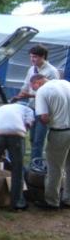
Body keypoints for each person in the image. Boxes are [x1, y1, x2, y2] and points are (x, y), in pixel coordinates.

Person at [13, 45, 60, 165]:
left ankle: (35, 167)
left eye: (35, 57)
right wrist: (19, 96)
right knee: (32, 137)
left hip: (44, 110)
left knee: (38, 139)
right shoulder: (31, 69)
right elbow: (25, 86)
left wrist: (30, 96)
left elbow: (52, 93)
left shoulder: (51, 71)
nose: (32, 59)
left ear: (42, 57)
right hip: (31, 107)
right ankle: (34, 161)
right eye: (31, 57)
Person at [30, 74, 70, 209]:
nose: (34, 90)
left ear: (38, 82)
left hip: (60, 131)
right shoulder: (66, 83)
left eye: (33, 87)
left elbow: (44, 117)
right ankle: (68, 199)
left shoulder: (42, 91)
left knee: (54, 168)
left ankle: (52, 201)